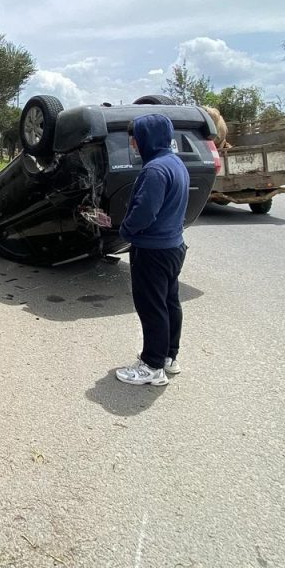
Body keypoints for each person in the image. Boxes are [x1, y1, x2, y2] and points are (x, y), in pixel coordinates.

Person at [115, 114, 190, 386]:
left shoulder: (154, 170)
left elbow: (144, 212)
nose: (134, 144)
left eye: (135, 138)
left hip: (152, 251)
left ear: (146, 138)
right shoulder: (176, 163)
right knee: (169, 303)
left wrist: (126, 231)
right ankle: (169, 356)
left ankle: (151, 366)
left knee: (151, 307)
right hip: (173, 246)